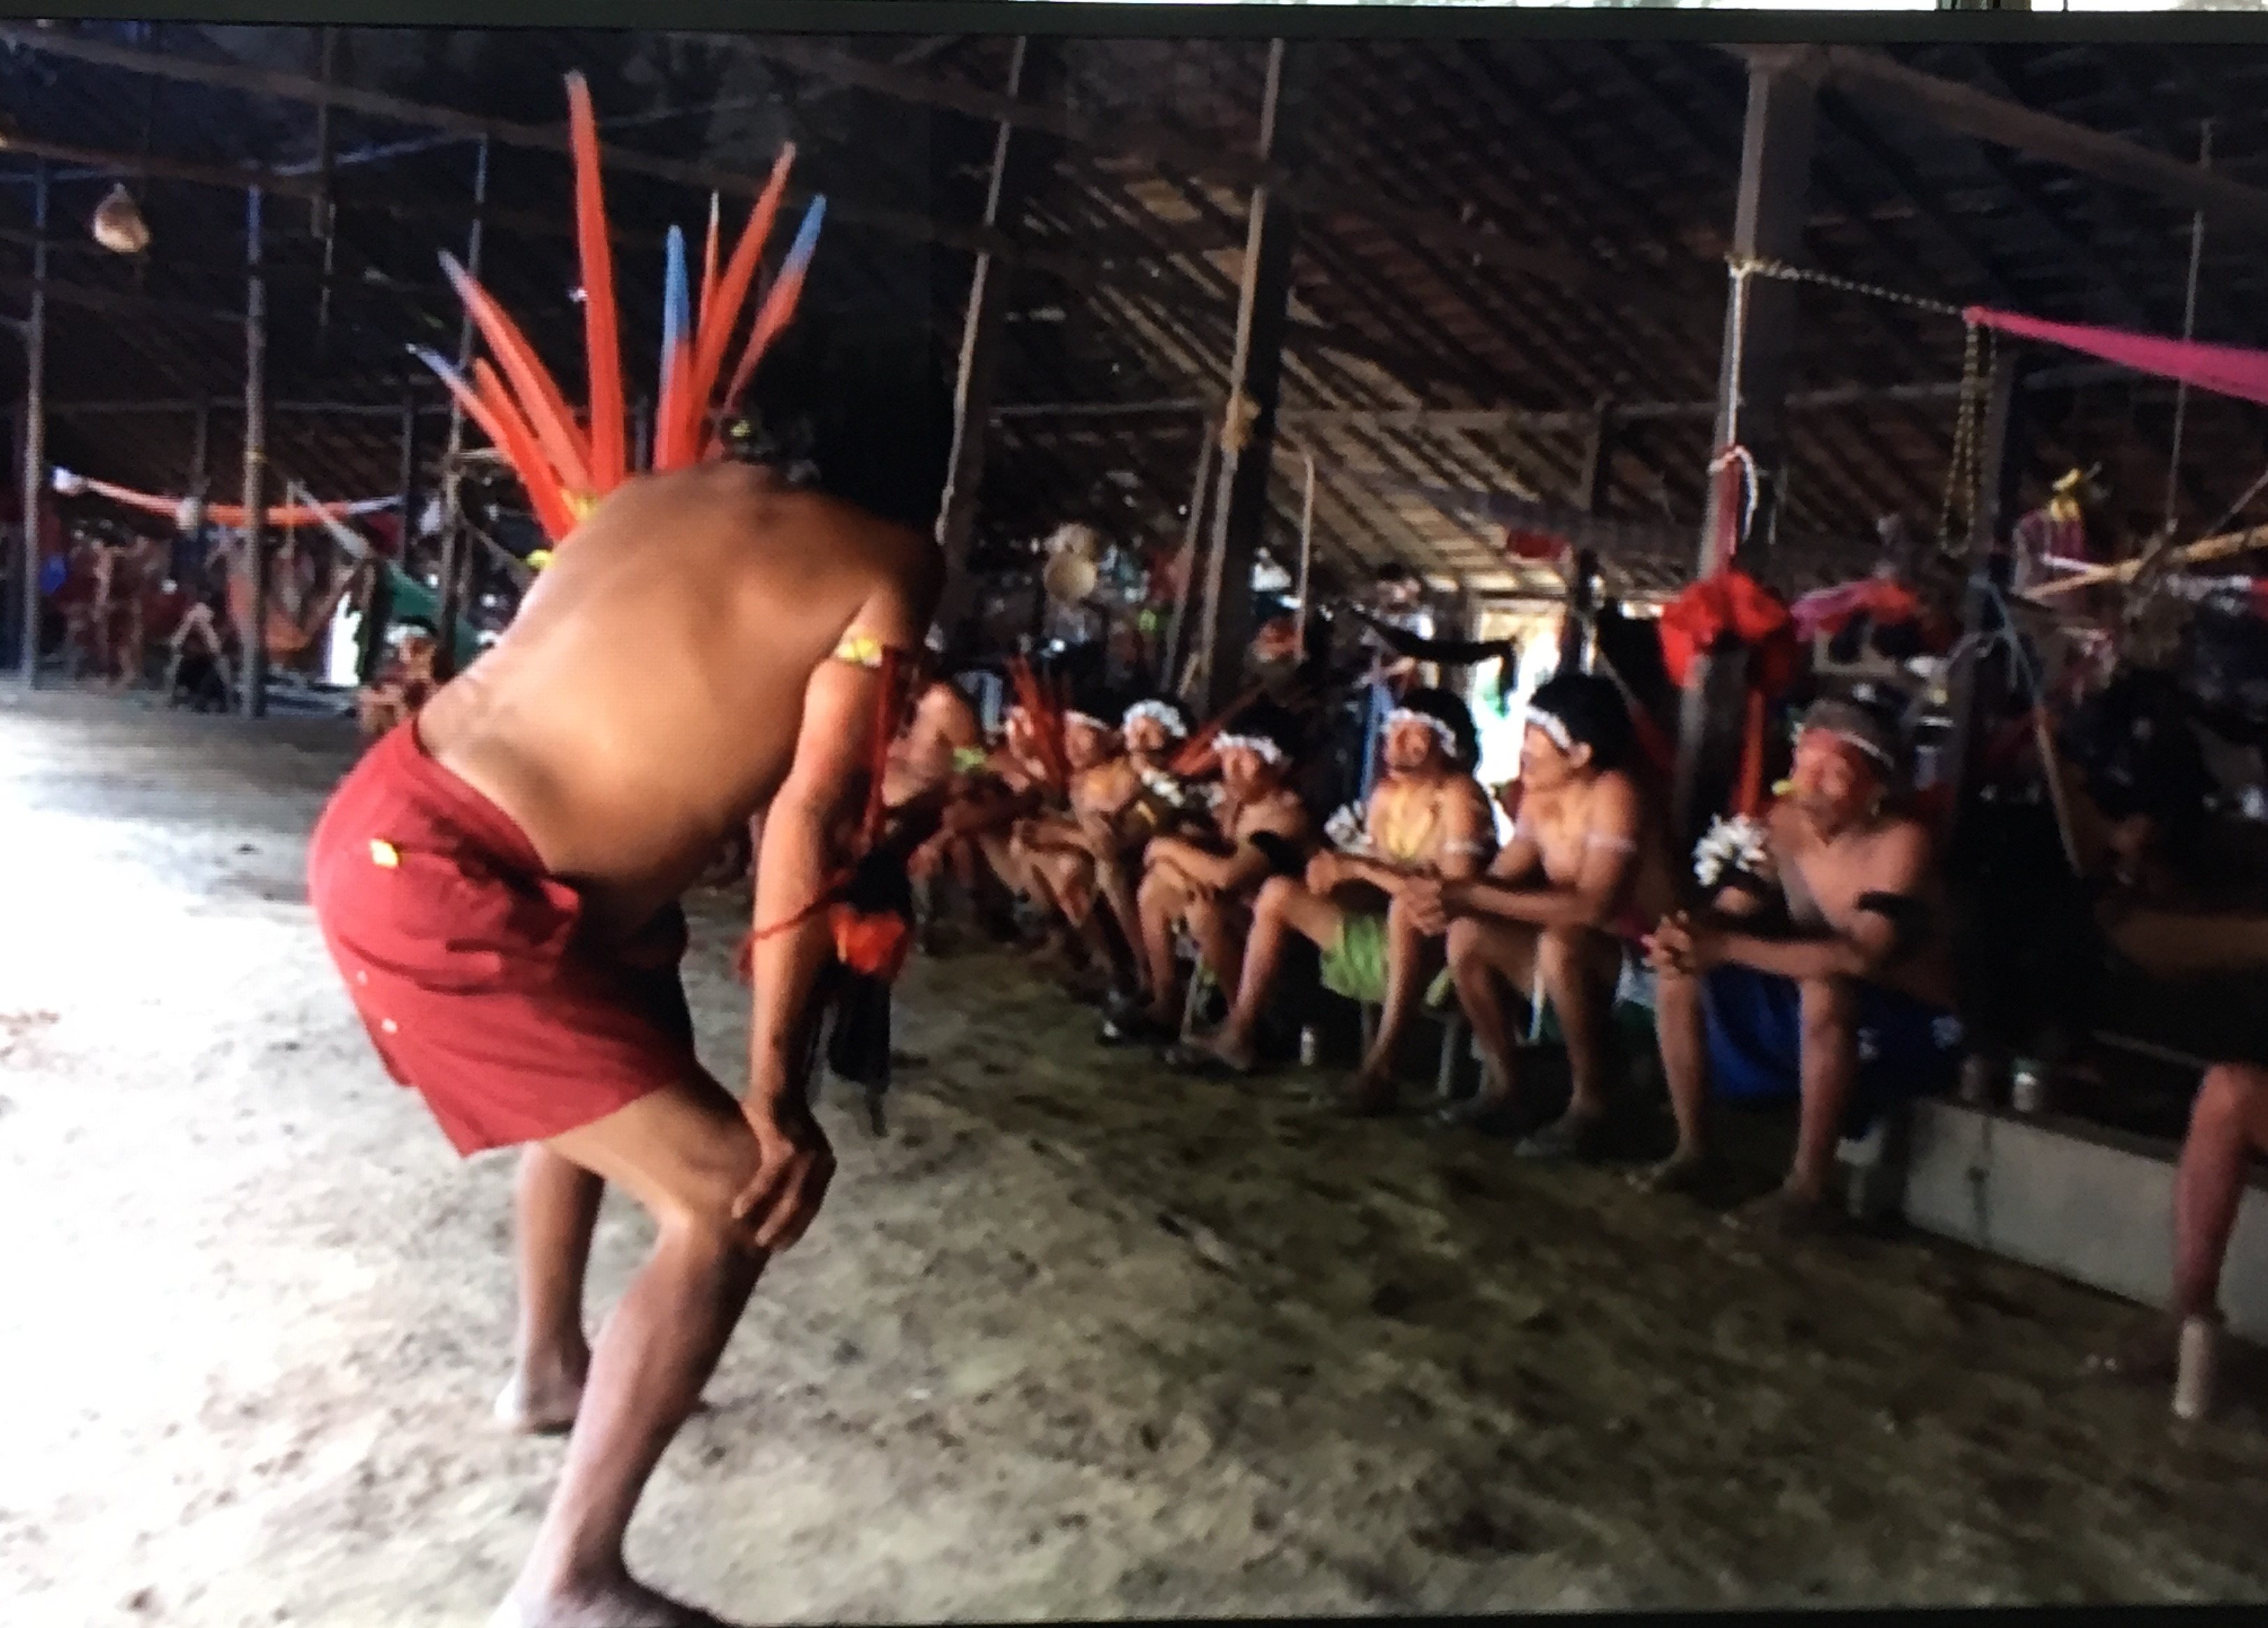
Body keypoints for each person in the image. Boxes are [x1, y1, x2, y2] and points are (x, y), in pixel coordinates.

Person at [306, 390, 947, 1625]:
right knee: (731, 1189)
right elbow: (807, 818)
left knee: (628, 1034)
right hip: (449, 883)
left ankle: (549, 1369)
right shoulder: (889, 562)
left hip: (394, 815)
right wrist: (776, 1091)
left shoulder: (657, 494)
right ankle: (569, 1580)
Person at [1640, 695, 1964, 1235]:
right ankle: (1693, 1150)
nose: (1808, 786)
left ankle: (1807, 1189)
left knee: (1823, 987)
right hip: (1819, 995)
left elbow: (1859, 956)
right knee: (1679, 971)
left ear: (1876, 791)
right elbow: (1732, 909)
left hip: (1908, 1017)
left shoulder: (1902, 842)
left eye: (1832, 773)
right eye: (1801, 768)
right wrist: (1688, 935)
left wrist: (1723, 947)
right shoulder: (1785, 822)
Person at [1173, 688, 1493, 1108]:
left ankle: (1382, 1068)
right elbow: (1377, 885)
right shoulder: (1386, 795)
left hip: (1442, 939)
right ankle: (1240, 1032)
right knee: (1279, 892)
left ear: (1447, 743)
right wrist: (1333, 878)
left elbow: (1453, 894)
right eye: (1394, 730)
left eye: (1413, 733)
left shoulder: (1459, 795)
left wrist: (1359, 869)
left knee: (1407, 910)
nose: (1396, 742)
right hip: (1386, 923)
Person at [1410, 672, 1673, 1155]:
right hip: (1583, 955)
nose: (1525, 748)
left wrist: (1468, 892)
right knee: (1468, 932)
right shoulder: (1540, 797)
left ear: (1580, 754)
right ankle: (1507, 1088)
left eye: (1538, 736)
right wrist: (1448, 895)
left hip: (1649, 967)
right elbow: (1499, 882)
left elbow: (1594, 906)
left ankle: (1591, 1103)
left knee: (1561, 941)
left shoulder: (1616, 792)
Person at [1104, 703, 1310, 1046]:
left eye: (1245, 757)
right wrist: (1178, 869)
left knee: (1202, 909)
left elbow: (1229, 875)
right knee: (1158, 887)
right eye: (1229, 755)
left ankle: (1243, 1022)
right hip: (1229, 904)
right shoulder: (1231, 801)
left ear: (1279, 763)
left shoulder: (1286, 816)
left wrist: (1163, 847)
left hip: (1272, 928)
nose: (1232, 766)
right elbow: (1192, 849)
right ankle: (1166, 999)